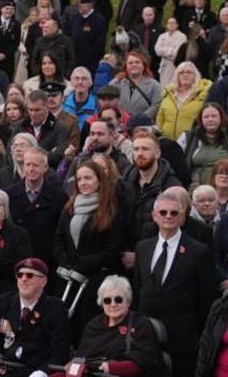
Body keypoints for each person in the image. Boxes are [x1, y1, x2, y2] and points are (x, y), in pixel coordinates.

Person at [133, 191, 217, 377]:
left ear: (183, 216)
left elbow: (207, 297)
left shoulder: (198, 251)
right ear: (155, 216)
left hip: (183, 340)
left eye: (174, 213)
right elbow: (139, 288)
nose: (168, 217)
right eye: (163, 212)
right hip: (147, 337)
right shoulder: (143, 247)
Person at [53, 160, 127, 337]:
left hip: (94, 282)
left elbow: (112, 251)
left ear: (100, 180)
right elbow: (58, 239)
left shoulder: (112, 211)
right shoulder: (70, 208)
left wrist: (81, 264)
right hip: (67, 280)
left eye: (88, 178)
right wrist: (65, 262)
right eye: (79, 179)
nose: (83, 183)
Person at [53, 275, 168, 377]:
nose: (113, 304)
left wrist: (109, 367)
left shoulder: (140, 324)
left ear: (128, 301)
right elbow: (80, 358)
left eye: (118, 299)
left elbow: (143, 363)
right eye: (107, 300)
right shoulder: (94, 325)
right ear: (101, 303)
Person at [0, 258, 71, 377]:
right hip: (3, 369)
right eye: (20, 275)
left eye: (30, 275)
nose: (23, 279)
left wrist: (42, 372)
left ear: (43, 282)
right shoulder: (3, 303)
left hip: (34, 371)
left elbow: (60, 352)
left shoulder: (56, 308)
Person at [4, 146, 68, 271]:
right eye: (27, 165)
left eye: (36, 165)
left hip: (47, 260)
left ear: (45, 168)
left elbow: (61, 232)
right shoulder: (9, 195)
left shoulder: (59, 197)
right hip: (17, 260)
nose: (31, 169)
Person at [155, 61, 211, 141]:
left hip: (191, 141)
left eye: (189, 72)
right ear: (176, 76)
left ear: (195, 75)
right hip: (167, 141)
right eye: (181, 73)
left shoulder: (203, 94)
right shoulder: (168, 93)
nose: (185, 75)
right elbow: (160, 118)